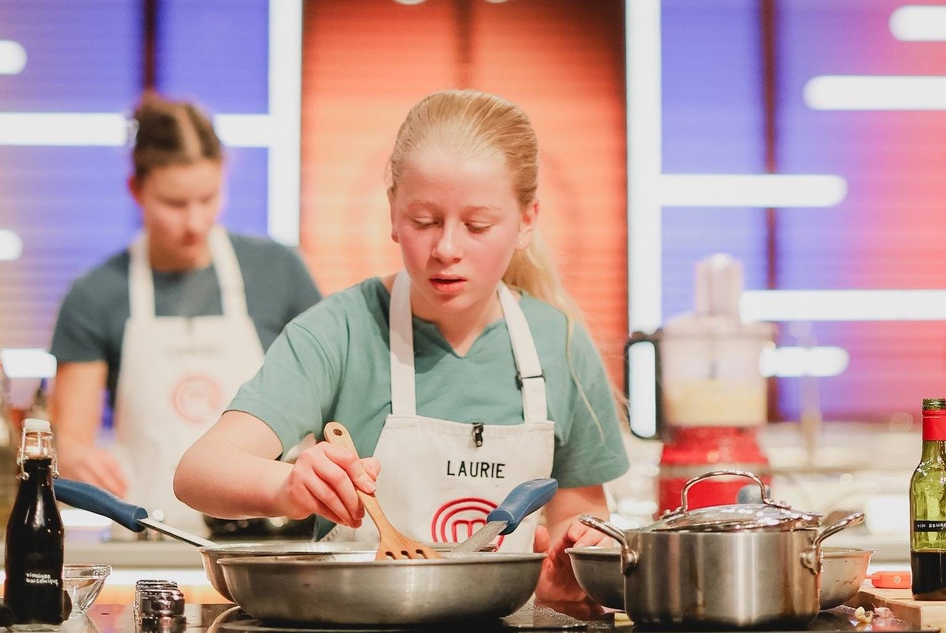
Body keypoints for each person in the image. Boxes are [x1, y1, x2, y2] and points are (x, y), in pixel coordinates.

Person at [174, 89, 627, 601]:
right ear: (393, 212)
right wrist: (287, 487)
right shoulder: (340, 332)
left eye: (477, 226)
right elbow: (198, 473)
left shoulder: (559, 342)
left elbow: (580, 511)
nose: (447, 249)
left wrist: (575, 558)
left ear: (526, 221)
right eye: (424, 222)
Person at [49, 92, 322, 536]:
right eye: (174, 204)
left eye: (208, 198)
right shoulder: (96, 294)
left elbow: (326, 404)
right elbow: (71, 439)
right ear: (136, 190)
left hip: (267, 541)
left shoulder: (279, 272)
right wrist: (77, 456)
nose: (195, 222)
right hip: (149, 536)